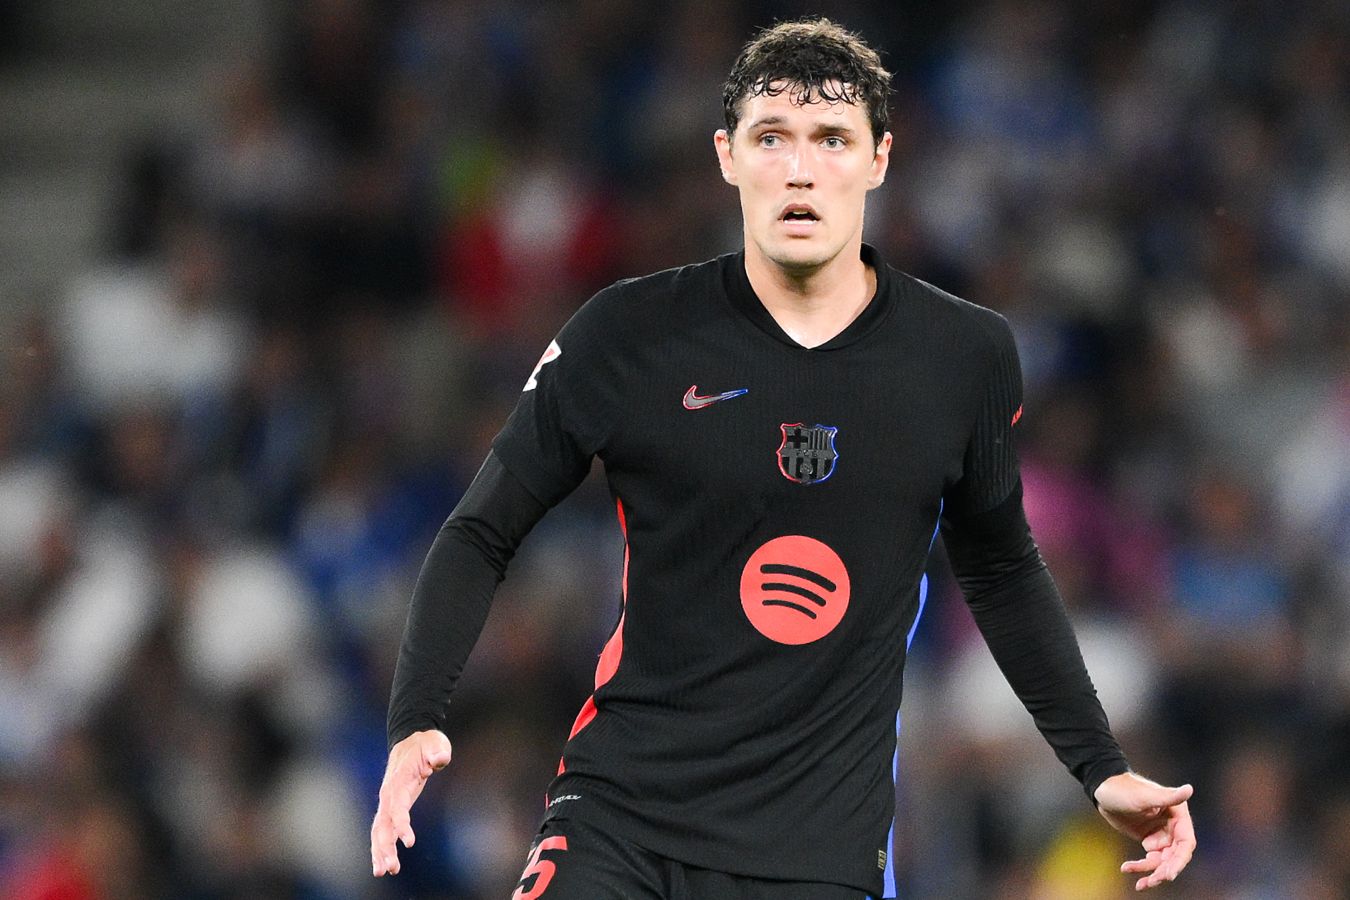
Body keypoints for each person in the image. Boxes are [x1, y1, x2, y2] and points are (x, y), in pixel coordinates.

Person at [371, 17, 1196, 899]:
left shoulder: (964, 356)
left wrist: (1099, 767)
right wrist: (416, 716)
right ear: (727, 156)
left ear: (880, 158)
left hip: (817, 858)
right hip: (619, 819)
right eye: (772, 138)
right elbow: (481, 530)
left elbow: (1000, 568)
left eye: (832, 139)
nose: (801, 169)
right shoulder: (627, 334)